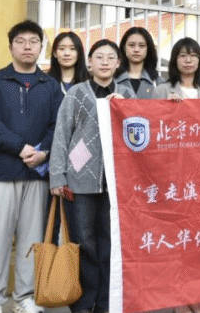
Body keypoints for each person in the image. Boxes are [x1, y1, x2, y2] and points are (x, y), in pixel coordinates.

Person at [0, 20, 65, 313]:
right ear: (11, 46)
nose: (27, 47)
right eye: (21, 41)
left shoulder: (50, 86)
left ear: (41, 48)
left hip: (37, 174)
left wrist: (44, 152)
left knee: (31, 240)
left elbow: (59, 125)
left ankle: (25, 297)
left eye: (33, 42)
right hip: (1, 174)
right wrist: (21, 147)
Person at [49, 39, 140, 313]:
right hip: (80, 181)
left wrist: (126, 109)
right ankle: (83, 301)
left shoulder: (126, 94)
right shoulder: (77, 93)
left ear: (118, 63)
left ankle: (105, 302)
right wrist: (57, 176)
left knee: (110, 244)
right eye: (99, 57)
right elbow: (62, 134)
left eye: (110, 57)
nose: (104, 62)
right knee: (84, 242)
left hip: (115, 183)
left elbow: (140, 131)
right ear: (89, 62)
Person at [162, 37, 200, 313]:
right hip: (172, 175)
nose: (188, 60)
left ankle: (196, 297)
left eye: (193, 55)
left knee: (198, 240)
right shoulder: (162, 89)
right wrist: (165, 109)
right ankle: (178, 299)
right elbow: (149, 126)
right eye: (183, 55)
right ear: (175, 60)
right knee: (176, 239)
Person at [117, 26, 160, 95]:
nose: (136, 50)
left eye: (142, 45)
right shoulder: (112, 80)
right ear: (124, 47)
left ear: (148, 49)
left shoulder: (158, 82)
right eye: (131, 45)